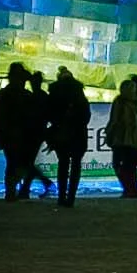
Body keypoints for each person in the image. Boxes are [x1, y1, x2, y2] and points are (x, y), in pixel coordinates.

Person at [43, 66, 92, 207]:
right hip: (78, 135)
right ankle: (71, 196)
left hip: (61, 133)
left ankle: (61, 196)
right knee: (76, 165)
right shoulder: (79, 94)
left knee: (63, 164)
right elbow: (86, 117)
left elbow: (49, 114)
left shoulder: (55, 93)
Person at [0, 62, 40, 201]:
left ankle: (11, 192)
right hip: (24, 136)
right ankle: (17, 190)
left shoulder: (2, 95)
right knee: (20, 164)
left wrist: (0, 135)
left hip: (10, 136)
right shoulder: (27, 96)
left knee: (12, 164)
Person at [105, 74, 137, 199]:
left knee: (117, 164)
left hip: (120, 138)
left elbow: (114, 119)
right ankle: (133, 189)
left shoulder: (120, 102)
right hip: (135, 139)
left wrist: (109, 131)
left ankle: (128, 188)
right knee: (130, 166)